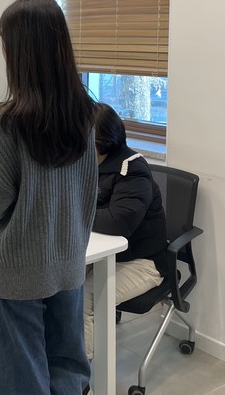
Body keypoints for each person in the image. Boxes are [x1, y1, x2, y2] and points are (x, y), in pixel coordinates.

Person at [0, 0, 97, 395]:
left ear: (18, 52)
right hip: (69, 257)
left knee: (22, 375)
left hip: (16, 269)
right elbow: (86, 190)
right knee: (68, 365)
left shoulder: (5, 122)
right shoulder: (85, 113)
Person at [83, 103, 167, 360]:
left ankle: (81, 374)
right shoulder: (90, 163)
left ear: (100, 140)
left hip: (144, 262)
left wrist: (73, 212)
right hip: (103, 256)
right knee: (60, 283)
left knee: (84, 299)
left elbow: (118, 222)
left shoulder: (132, 170)